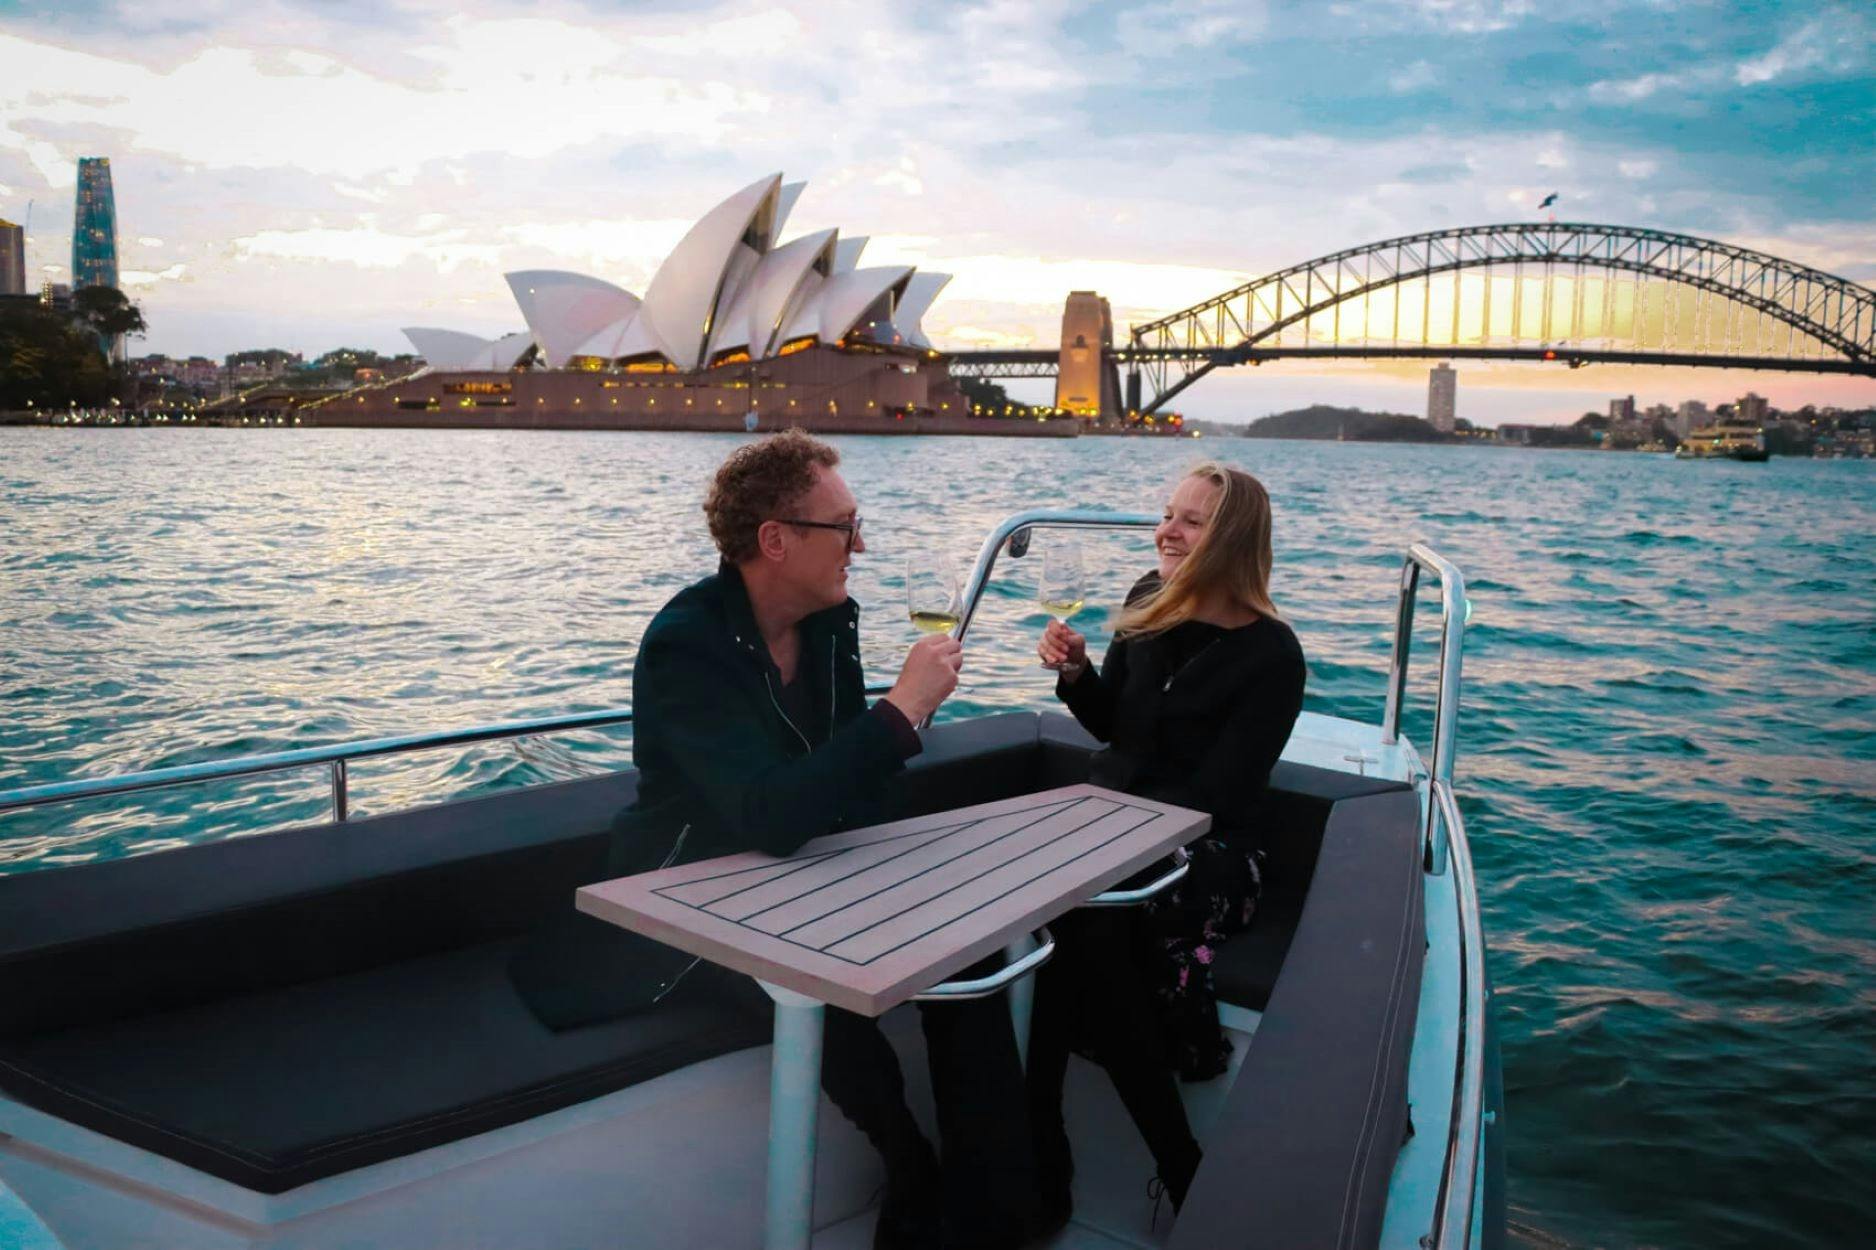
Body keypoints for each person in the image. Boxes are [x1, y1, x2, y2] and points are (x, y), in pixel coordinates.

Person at [510, 430, 1034, 1250]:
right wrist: (900, 714)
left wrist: (908, 858)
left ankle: (999, 1200)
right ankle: (914, 1173)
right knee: (827, 1000)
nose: (861, 545)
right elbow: (763, 813)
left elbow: (854, 781)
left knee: (968, 953)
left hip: (802, 874)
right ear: (775, 541)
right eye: (845, 527)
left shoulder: (828, 625)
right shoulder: (688, 644)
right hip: (691, 897)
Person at [1027, 462, 1306, 1225]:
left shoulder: (1273, 656)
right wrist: (1079, 673)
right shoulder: (1145, 601)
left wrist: (1107, 837)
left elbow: (1217, 795)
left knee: (1082, 926)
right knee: (1071, 923)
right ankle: (1146, 1163)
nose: (1165, 531)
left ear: (1232, 541)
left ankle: (1058, 1155)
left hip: (1210, 849)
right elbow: (1116, 727)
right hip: (1114, 825)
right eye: (1167, 513)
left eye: (1190, 521)